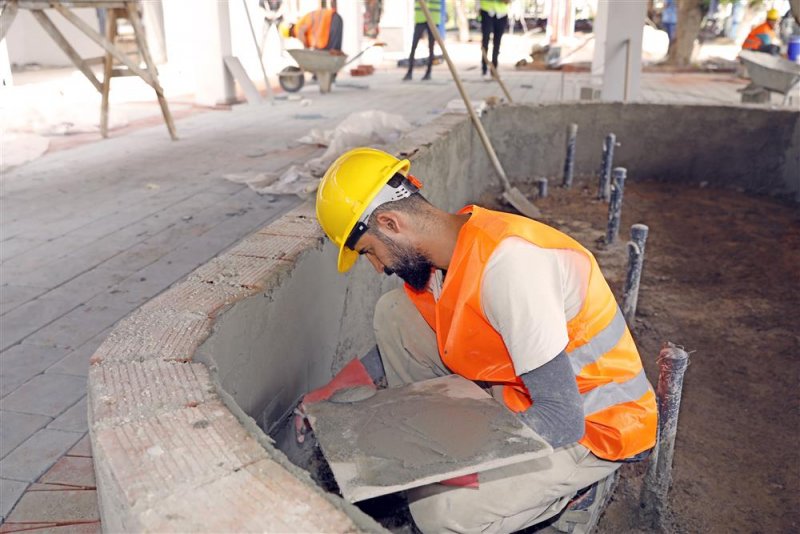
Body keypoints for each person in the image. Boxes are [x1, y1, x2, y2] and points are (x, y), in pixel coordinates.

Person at [313, 147, 658, 533]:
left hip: (592, 426)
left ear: (391, 223)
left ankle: (572, 497)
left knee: (439, 513)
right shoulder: (449, 252)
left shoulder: (510, 265)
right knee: (393, 311)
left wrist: (448, 462)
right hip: (518, 394)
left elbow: (562, 419)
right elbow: (417, 328)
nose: (378, 267)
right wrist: (340, 384)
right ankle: (444, 445)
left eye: (370, 252)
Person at [403, 0, 442, 81]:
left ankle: (428, 72)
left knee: (431, 48)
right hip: (421, 18)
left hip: (433, 18)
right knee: (414, 46)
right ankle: (409, 72)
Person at [479, 0, 510, 78]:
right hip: (487, 11)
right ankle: (484, 69)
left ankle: (494, 70)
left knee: (497, 43)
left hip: (502, 14)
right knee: (485, 41)